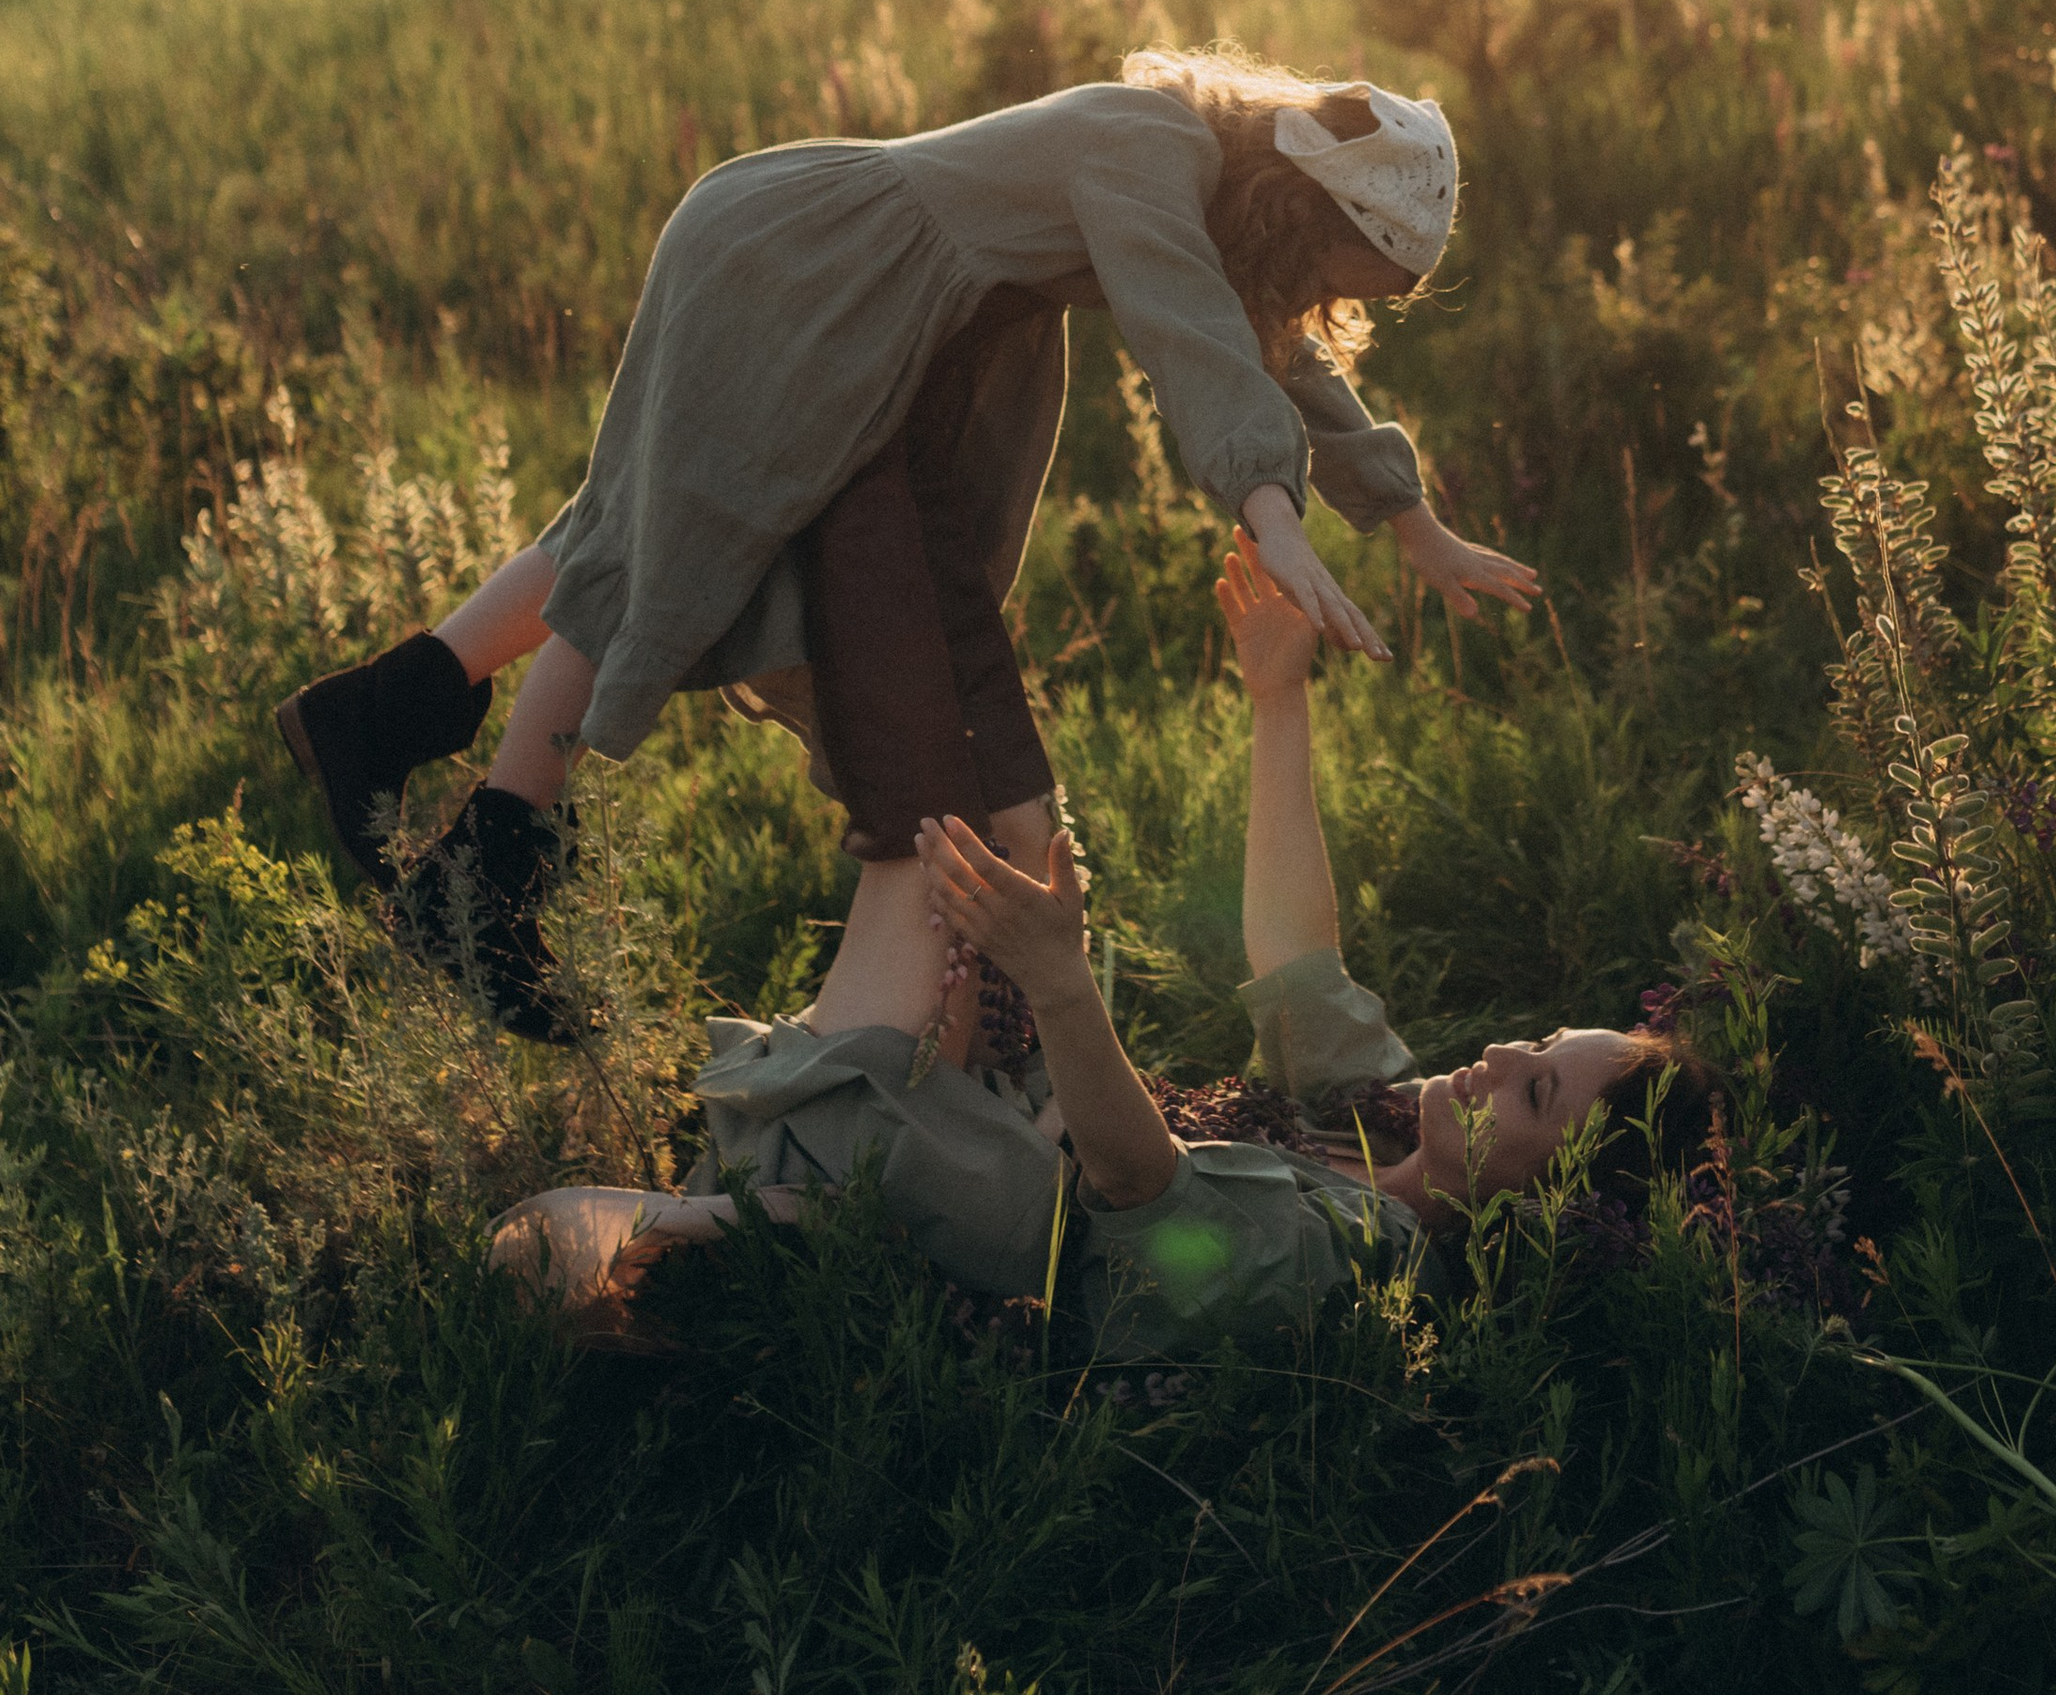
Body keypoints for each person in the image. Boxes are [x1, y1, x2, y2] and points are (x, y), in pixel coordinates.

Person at [278, 50, 1536, 1037]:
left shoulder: (1209, 190)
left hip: (865, 293)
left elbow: (1266, 345)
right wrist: (1267, 503)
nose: (1321, 308)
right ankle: (484, 879)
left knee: (646, 519)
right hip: (802, 258)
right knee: (667, 543)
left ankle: (393, 709)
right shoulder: (1146, 143)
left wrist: (1414, 528)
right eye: (1336, 271)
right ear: (1301, 204)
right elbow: (1187, 332)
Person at [492, 541, 1710, 1360]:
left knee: (936, 777)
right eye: (1542, 1040)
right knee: (993, 795)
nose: (1501, 1048)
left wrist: (1057, 976)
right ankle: (788, 617)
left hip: (933, 1170)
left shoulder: (1370, 1266)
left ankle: (743, 605)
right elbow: (1298, 956)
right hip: (991, 1111)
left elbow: (1141, 1190)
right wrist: (1279, 695)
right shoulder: (1383, 1125)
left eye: (1539, 1084)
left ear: (1549, 1209)